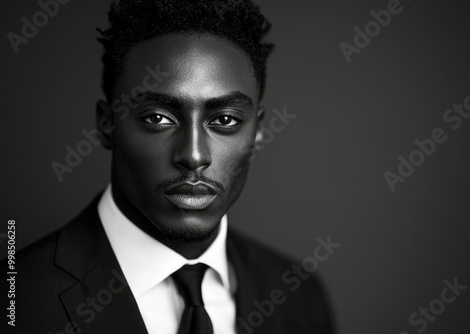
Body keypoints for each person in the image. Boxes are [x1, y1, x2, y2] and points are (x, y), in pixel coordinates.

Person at [2, 0, 334, 333]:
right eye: (158, 118)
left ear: (258, 131)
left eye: (225, 119)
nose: (193, 155)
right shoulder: (15, 303)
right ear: (107, 124)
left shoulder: (300, 299)